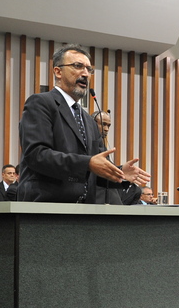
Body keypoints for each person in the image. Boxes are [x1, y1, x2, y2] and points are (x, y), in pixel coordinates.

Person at [17, 44, 150, 203]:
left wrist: (120, 173)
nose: (85, 74)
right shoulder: (41, 103)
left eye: (89, 69)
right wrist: (88, 163)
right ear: (58, 72)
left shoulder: (88, 120)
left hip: (84, 211)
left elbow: (97, 169)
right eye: (78, 66)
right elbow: (37, 155)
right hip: (46, 207)